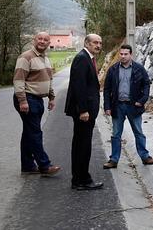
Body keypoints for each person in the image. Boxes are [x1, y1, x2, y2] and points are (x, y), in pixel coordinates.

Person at [13, 32, 61, 176]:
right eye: (39, 39)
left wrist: (51, 97)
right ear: (34, 40)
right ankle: (45, 166)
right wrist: (22, 100)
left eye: (45, 40)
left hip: (38, 99)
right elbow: (18, 80)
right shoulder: (25, 57)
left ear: (48, 43)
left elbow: (49, 79)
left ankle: (27, 166)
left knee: (29, 132)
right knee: (35, 133)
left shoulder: (45, 59)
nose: (42, 41)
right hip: (28, 98)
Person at [103, 44, 153, 169]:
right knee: (116, 134)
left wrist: (142, 100)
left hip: (134, 106)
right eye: (121, 54)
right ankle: (114, 160)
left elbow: (146, 85)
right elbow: (107, 89)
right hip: (118, 106)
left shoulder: (139, 69)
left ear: (130, 54)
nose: (123, 56)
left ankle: (145, 156)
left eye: (125, 54)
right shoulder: (113, 69)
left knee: (138, 132)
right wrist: (107, 106)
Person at [65, 34, 104, 190]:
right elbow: (79, 86)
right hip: (84, 112)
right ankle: (82, 180)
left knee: (82, 144)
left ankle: (80, 178)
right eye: (95, 42)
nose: (98, 45)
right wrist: (83, 110)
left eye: (100, 43)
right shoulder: (82, 58)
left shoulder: (88, 58)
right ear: (86, 43)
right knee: (82, 145)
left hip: (86, 111)